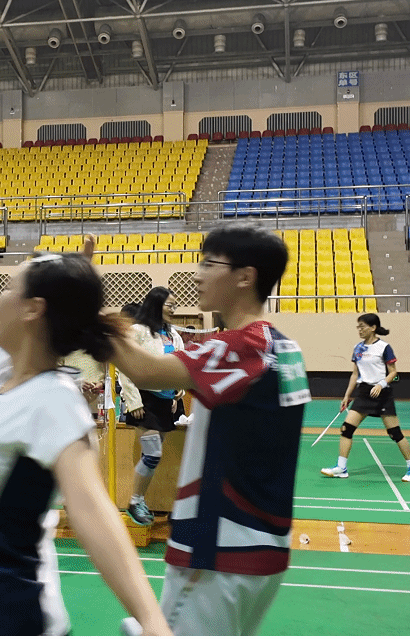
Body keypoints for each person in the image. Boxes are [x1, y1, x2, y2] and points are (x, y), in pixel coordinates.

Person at [0, 175, 169, 636]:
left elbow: (93, 514)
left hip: (8, 622)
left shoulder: (53, 403)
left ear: (33, 309)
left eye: (10, 288)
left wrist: (152, 621)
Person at [108, 222, 310, 636]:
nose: (197, 275)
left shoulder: (243, 346)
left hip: (217, 547)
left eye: (208, 264)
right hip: (265, 547)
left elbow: (144, 370)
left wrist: (82, 312)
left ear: (245, 276)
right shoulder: (286, 348)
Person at [321, 314, 410, 482]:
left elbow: (393, 372)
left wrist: (381, 384)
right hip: (364, 393)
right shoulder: (358, 348)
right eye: (358, 327)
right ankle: (341, 468)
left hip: (382, 394)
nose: (359, 330)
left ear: (373, 327)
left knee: (394, 433)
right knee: (346, 429)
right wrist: (347, 396)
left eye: (362, 326)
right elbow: (355, 374)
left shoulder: (384, 347)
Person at [118, 287, 186, 526]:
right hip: (145, 401)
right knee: (152, 453)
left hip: (167, 403)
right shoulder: (138, 331)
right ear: (156, 304)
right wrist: (133, 401)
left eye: (175, 305)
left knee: (153, 455)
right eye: (170, 305)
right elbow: (125, 366)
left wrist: (178, 392)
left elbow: (181, 364)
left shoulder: (173, 334)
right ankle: (135, 501)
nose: (174, 310)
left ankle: (141, 500)